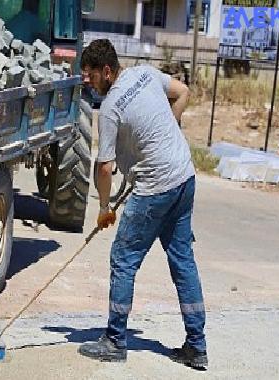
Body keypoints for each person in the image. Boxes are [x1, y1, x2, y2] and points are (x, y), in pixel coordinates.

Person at [77, 39, 208, 369]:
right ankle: (197, 346)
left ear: (107, 72)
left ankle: (115, 340)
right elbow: (182, 92)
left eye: (91, 76)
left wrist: (104, 207)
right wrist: (170, 129)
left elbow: (103, 167)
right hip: (184, 176)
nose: (88, 83)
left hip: (155, 189)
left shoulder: (109, 109)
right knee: (182, 260)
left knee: (123, 258)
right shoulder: (146, 73)